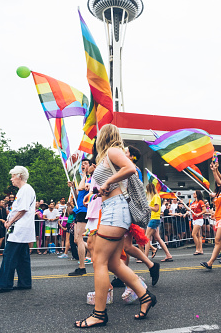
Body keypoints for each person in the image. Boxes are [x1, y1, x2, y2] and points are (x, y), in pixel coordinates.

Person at [74, 124, 156, 328]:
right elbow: (113, 184)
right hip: (111, 209)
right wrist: (99, 192)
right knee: (113, 263)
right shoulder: (106, 156)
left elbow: (131, 169)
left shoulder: (113, 150)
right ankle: (145, 296)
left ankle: (99, 314)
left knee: (99, 261)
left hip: (115, 211)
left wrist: (108, 181)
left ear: (104, 136)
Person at [0, 166, 36, 293]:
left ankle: (4, 284)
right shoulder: (24, 189)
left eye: (13, 176)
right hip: (21, 227)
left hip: (20, 228)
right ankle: (25, 282)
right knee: (22, 256)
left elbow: (23, 209)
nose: (11, 179)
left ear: (20, 176)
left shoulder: (25, 189)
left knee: (9, 255)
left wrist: (10, 221)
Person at [68, 158, 92, 275]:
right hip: (79, 210)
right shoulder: (83, 178)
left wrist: (84, 176)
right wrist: (72, 187)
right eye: (82, 164)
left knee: (80, 239)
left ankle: (82, 267)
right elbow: (78, 193)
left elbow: (82, 188)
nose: (83, 165)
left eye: (85, 164)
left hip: (84, 210)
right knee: (76, 240)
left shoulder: (89, 178)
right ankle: (93, 249)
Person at [144, 183, 173, 262]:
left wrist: (148, 206)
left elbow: (156, 209)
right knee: (157, 238)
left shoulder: (156, 197)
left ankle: (145, 257)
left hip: (154, 219)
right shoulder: (155, 197)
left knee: (147, 238)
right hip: (154, 218)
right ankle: (168, 255)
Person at [190, 190, 207, 255]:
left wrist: (199, 214)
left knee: (193, 234)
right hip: (194, 219)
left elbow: (204, 210)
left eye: (194, 193)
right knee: (198, 235)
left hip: (199, 219)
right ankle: (200, 249)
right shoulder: (194, 202)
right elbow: (191, 209)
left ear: (197, 194)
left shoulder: (200, 202)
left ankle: (197, 249)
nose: (193, 194)